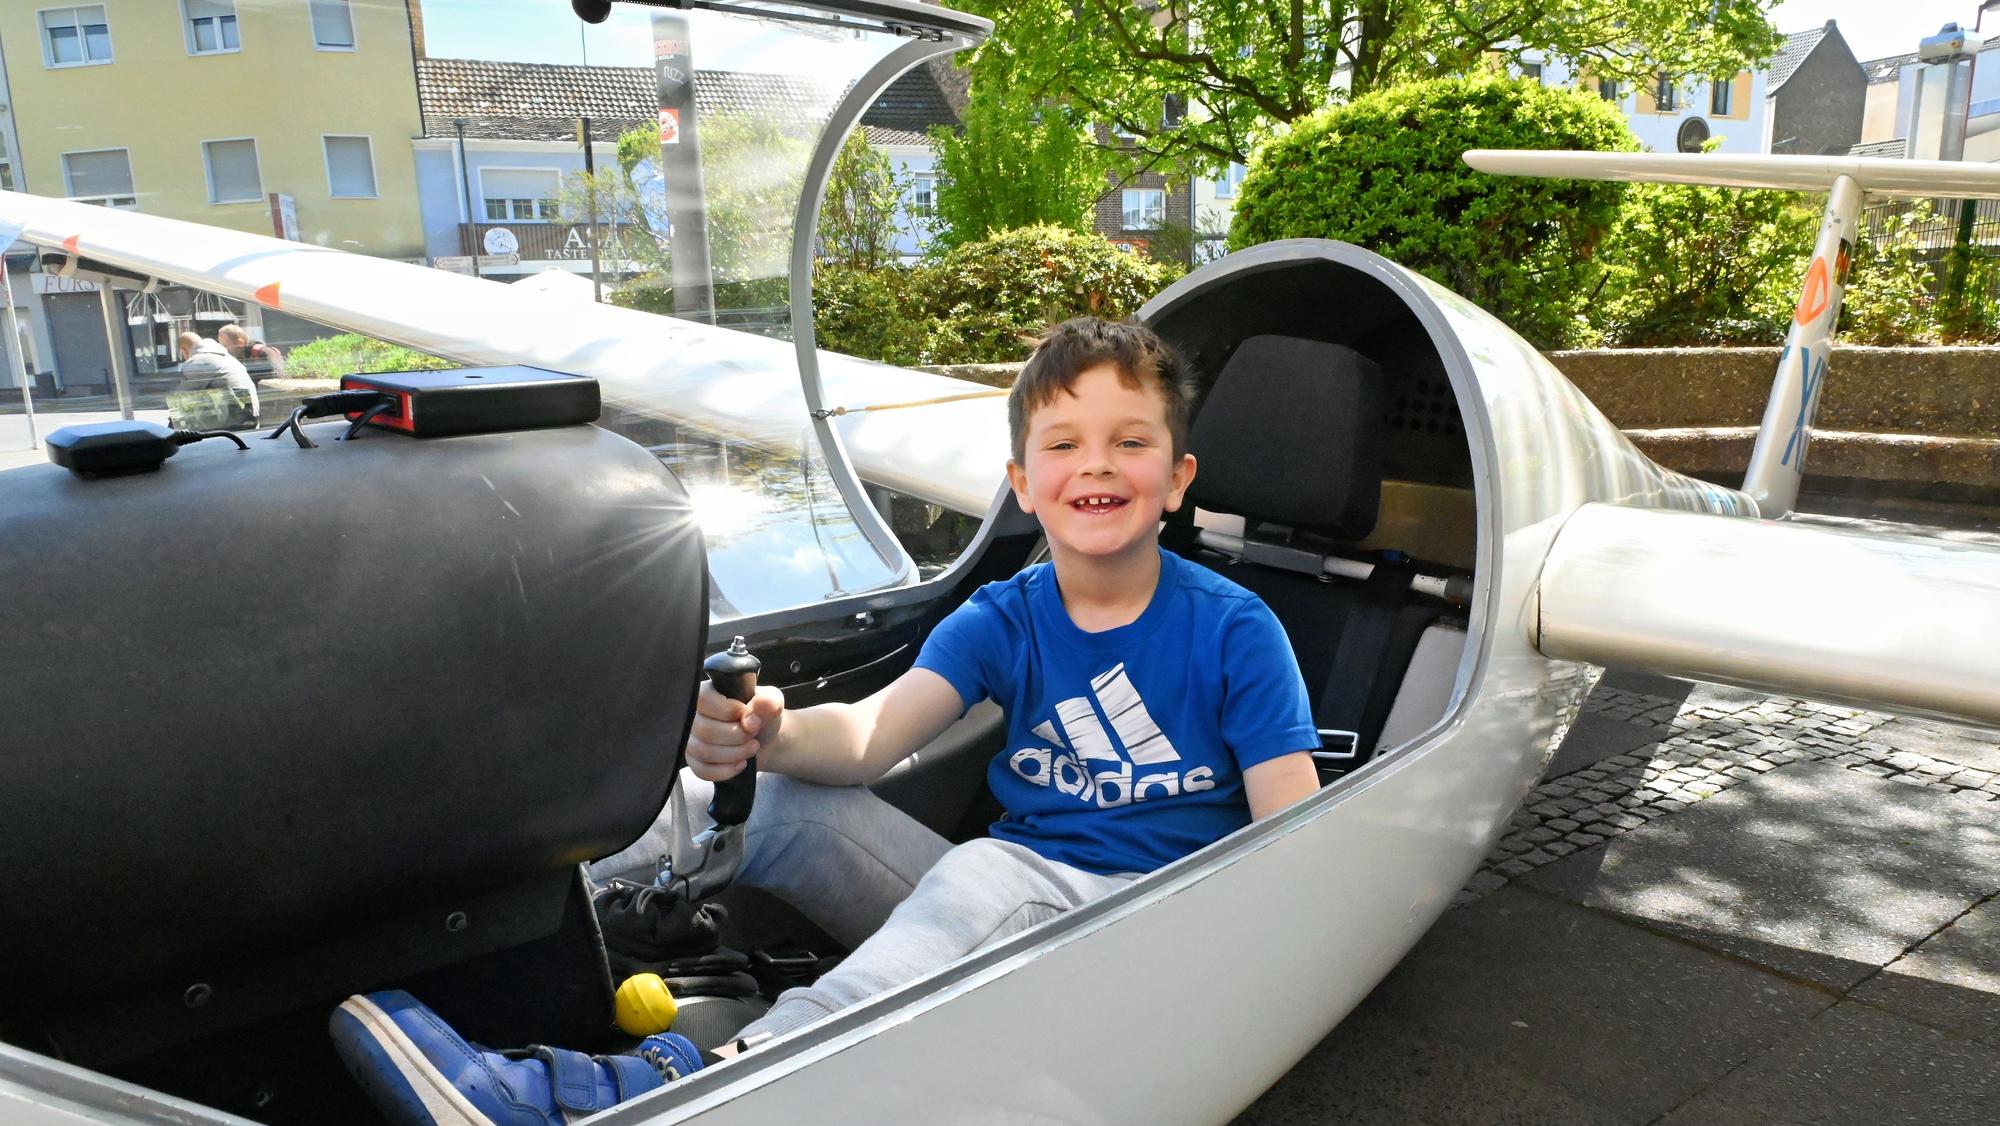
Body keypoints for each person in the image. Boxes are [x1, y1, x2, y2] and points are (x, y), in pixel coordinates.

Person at [329, 317, 1322, 1125]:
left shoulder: (1234, 632)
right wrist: (765, 730)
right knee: (773, 798)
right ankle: (445, 934)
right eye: (1062, 444)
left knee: (986, 873)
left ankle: (667, 1087)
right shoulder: (1003, 616)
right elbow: (868, 738)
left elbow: (1294, 847)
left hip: (1144, 933)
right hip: (1009, 913)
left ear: (1177, 479)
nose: (1094, 466)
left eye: (1129, 442)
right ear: (1022, 484)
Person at [171, 331, 258, 429]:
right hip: (252, 417)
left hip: (232, 425)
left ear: (183, 351)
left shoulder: (196, 362)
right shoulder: (228, 358)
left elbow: (179, 400)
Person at [217, 322, 285, 378]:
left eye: (225, 346)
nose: (223, 349)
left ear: (239, 343)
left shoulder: (265, 352)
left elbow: (281, 376)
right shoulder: (240, 358)